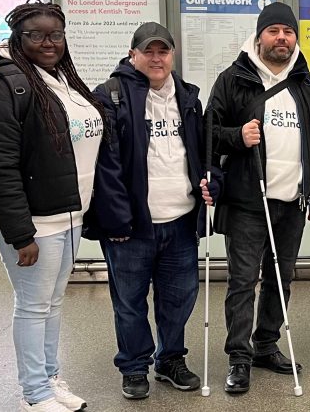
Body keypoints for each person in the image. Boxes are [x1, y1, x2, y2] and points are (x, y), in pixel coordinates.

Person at [0, 0, 106, 412]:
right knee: (32, 306)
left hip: (68, 214)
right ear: (19, 38)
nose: (48, 43)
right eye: (37, 35)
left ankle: (49, 378)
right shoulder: (3, 82)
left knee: (53, 302)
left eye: (56, 35)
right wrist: (20, 233)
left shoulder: (58, 78)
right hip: (34, 221)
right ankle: (34, 393)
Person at [206, 2, 310, 394]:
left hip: (293, 201)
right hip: (248, 201)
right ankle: (239, 357)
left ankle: (266, 345)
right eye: (274, 30)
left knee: (282, 278)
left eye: (288, 32)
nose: (282, 38)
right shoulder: (234, 79)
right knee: (243, 281)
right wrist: (236, 137)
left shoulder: (307, 84)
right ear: (260, 36)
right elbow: (208, 132)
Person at [84, 22, 216, 400]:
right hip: (131, 227)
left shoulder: (189, 97)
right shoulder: (110, 96)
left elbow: (203, 155)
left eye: (164, 51)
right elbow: (105, 166)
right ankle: (134, 366)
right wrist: (116, 220)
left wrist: (211, 180)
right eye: (149, 51)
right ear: (133, 55)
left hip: (180, 222)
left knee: (179, 298)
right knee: (129, 302)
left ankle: (170, 360)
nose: (157, 58)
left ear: (172, 55)